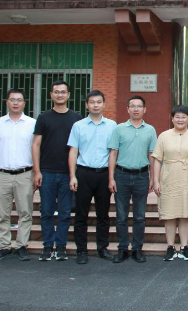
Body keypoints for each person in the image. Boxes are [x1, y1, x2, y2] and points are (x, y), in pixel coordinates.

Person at [32, 80, 82, 262]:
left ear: (68, 95)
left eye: (63, 92)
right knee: (46, 211)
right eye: (56, 92)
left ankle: (61, 246)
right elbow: (36, 144)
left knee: (65, 212)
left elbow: (79, 146)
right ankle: (47, 246)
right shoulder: (43, 117)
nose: (60, 94)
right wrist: (37, 171)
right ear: (51, 95)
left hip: (67, 173)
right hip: (47, 172)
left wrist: (74, 174)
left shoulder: (76, 118)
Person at [0, 89, 36, 262]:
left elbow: (36, 150)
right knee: (2, 213)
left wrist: (37, 172)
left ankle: (22, 246)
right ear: (7, 102)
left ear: (24, 103)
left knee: (25, 212)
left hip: (24, 174)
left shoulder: (32, 124)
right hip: (1, 175)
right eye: (12, 99)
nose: (15, 103)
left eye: (19, 100)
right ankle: (4, 246)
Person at [67, 90, 117, 264]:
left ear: (104, 104)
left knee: (103, 214)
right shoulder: (78, 126)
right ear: (86, 105)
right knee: (81, 214)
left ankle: (102, 248)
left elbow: (113, 153)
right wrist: (72, 176)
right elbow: (73, 151)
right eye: (92, 102)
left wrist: (111, 177)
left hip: (103, 174)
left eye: (99, 102)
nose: (96, 105)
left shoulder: (112, 126)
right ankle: (81, 250)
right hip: (84, 173)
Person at [108, 95, 157, 263]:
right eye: (133, 106)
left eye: (139, 106)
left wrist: (153, 178)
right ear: (127, 109)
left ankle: (137, 249)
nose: (136, 109)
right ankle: (122, 249)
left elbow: (152, 155)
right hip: (121, 175)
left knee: (139, 216)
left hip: (142, 176)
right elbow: (113, 153)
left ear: (145, 109)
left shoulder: (150, 130)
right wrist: (111, 178)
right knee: (121, 216)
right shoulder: (119, 129)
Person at [152, 105, 188, 261]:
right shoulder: (163, 136)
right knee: (169, 214)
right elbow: (157, 159)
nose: (180, 120)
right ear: (172, 119)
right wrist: (155, 181)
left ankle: (184, 247)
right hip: (168, 178)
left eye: (183, 117)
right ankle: (170, 246)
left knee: (184, 214)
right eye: (177, 117)